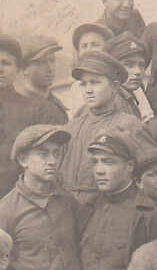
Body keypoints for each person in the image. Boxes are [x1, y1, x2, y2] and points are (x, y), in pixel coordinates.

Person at [0, 34, 66, 204]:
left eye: (6, 63)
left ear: (18, 70)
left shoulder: (40, 110)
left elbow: (57, 161)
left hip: (28, 203)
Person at [0, 126, 82, 270]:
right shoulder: (2, 213)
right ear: (23, 160)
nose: (52, 161)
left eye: (56, 154)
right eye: (43, 154)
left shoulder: (68, 201)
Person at [77, 132, 157, 270]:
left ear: (130, 166)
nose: (99, 170)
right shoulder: (86, 207)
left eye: (108, 162)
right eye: (95, 162)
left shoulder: (150, 216)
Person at [58, 51, 145, 202]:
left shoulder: (129, 125)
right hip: (68, 206)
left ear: (115, 86)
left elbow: (142, 173)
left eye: (95, 82)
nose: (88, 90)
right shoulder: (71, 128)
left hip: (107, 205)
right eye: (84, 84)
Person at [56, 23, 118, 117]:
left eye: (95, 45)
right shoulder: (76, 88)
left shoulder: (125, 82)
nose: (89, 50)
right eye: (84, 46)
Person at [106, 31, 157, 123]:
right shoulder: (111, 102)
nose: (137, 71)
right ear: (114, 68)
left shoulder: (135, 95)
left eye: (141, 65)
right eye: (129, 65)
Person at [18, 35, 69, 118]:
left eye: (52, 61)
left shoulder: (55, 102)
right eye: (42, 62)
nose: (50, 68)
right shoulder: (19, 108)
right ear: (25, 68)